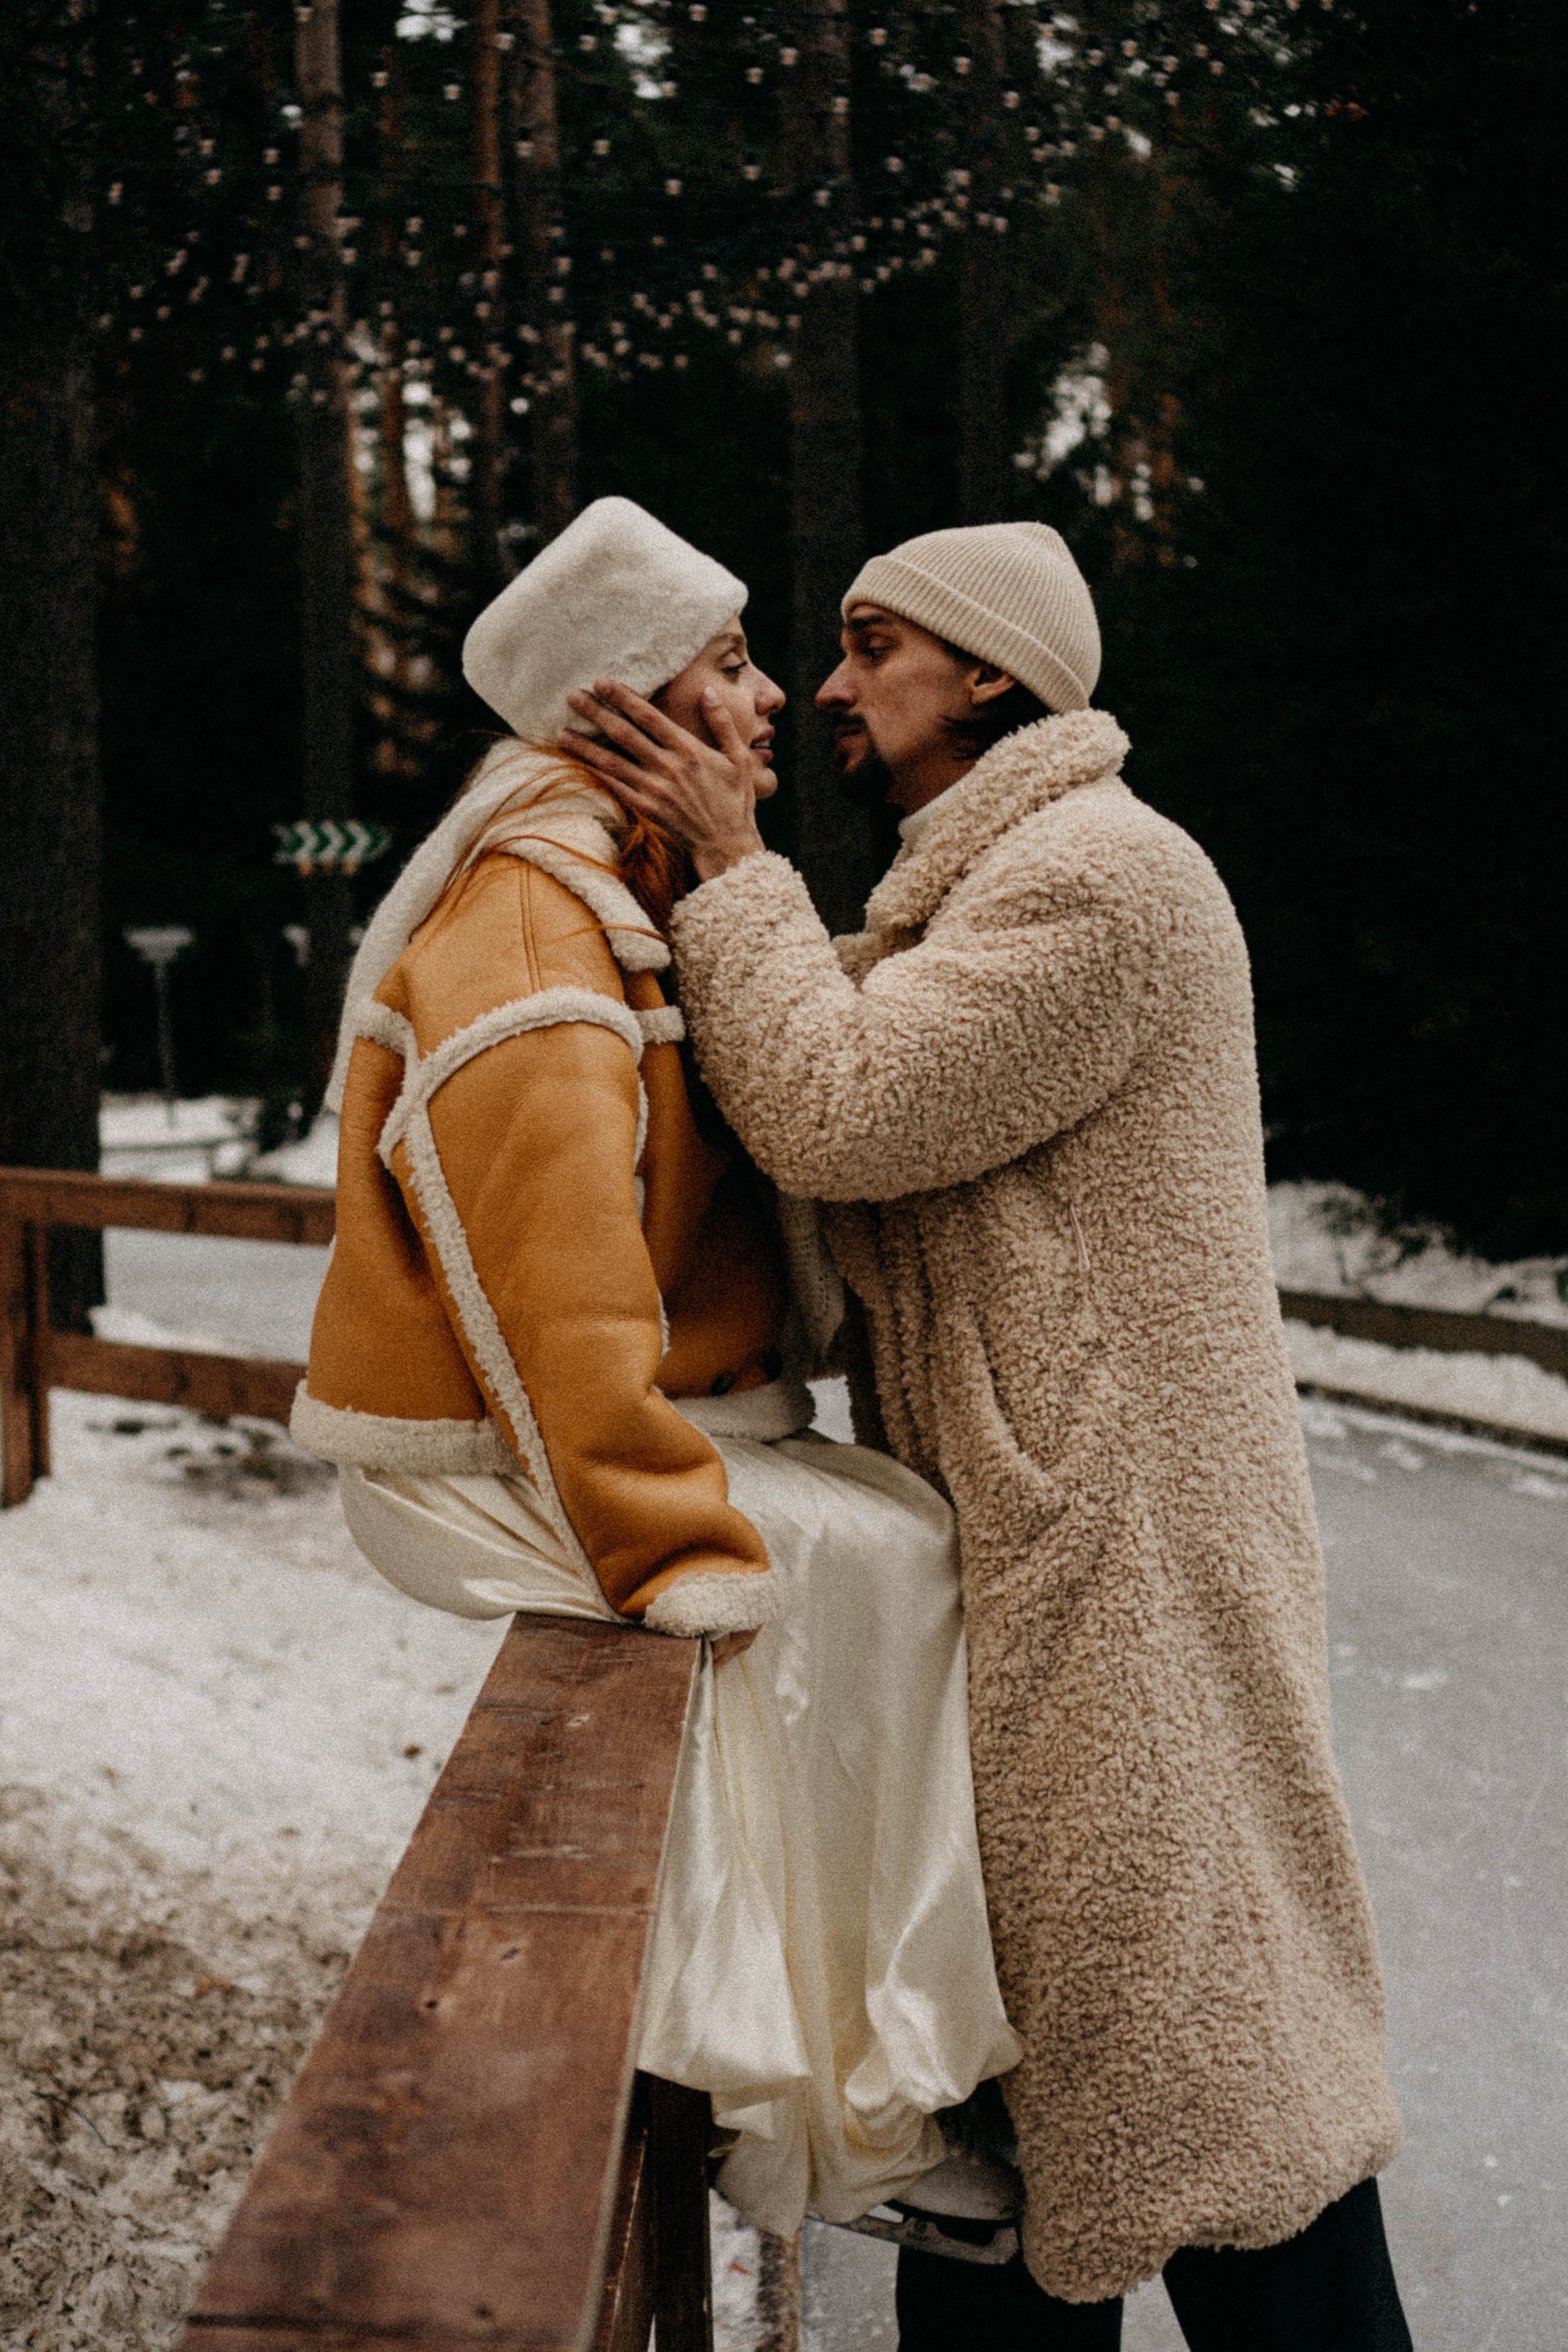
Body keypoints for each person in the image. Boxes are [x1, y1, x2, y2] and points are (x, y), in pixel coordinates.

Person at [560, 521, 1415, 2348]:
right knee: (1041, 2127)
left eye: (874, 647)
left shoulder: (1098, 878)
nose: (833, 685)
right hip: (1037, 1571)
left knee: (1222, 2119)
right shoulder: (959, 895)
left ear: (994, 673)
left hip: (1133, 1585)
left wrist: (729, 867)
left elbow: (845, 1114)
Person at [290, 496, 1022, 2241]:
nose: (774, 698)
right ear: (619, 709)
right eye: (729, 662)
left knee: (894, 1532)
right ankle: (834, 2116)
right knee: (866, 1566)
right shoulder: (534, 929)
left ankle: (877, 2076)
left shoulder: (625, 891)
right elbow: (548, 1296)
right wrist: (662, 1540)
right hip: (478, 1463)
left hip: (579, 1432)